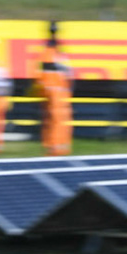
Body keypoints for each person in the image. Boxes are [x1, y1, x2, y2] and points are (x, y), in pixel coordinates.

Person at [36, 22, 74, 156]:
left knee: (58, 120)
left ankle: (58, 146)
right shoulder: (50, 54)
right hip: (55, 92)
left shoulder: (56, 54)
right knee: (56, 120)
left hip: (59, 91)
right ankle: (55, 147)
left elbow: (67, 73)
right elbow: (45, 74)